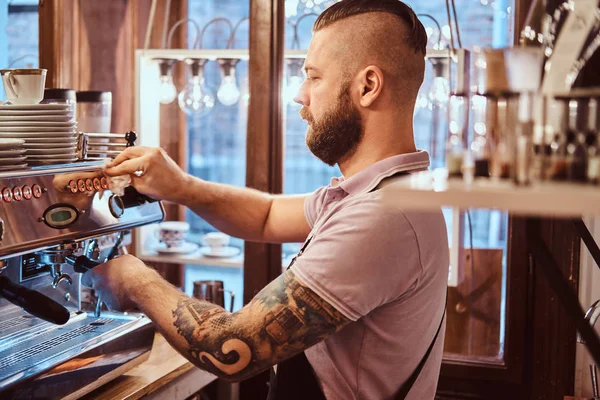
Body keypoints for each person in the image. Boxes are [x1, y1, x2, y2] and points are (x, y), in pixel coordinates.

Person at [83, 0, 449, 398]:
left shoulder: (384, 217)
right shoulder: (380, 192)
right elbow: (267, 216)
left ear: (367, 86)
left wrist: (133, 278)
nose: (299, 95)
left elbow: (233, 349)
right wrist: (181, 187)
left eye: (313, 77)